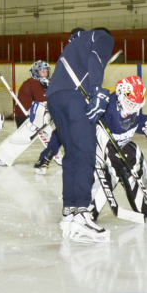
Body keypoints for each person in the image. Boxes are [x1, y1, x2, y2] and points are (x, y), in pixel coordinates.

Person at [45, 27, 115, 243]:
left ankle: (70, 211)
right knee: (85, 153)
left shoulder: (72, 46)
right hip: (75, 97)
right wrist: (96, 90)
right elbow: (96, 58)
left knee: (72, 155)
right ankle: (83, 215)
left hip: (55, 98)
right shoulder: (101, 36)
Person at [89, 76, 147, 220]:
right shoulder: (105, 106)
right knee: (90, 210)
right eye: (129, 103)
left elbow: (139, 122)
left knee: (135, 155)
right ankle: (85, 205)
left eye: (135, 105)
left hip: (120, 151)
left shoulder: (134, 109)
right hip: (101, 154)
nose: (131, 108)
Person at [0, 60, 56, 168]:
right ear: (36, 73)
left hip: (40, 117)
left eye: (46, 71)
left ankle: (60, 155)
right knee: (23, 139)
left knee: (53, 136)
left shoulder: (46, 83)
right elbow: (42, 100)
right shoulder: (33, 83)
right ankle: (4, 157)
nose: (45, 74)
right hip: (27, 117)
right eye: (42, 72)